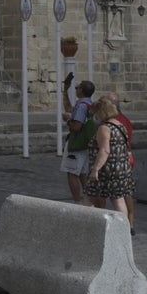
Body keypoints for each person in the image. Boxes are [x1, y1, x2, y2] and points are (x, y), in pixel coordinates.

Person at [86, 97, 135, 226]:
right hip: (121, 168)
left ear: (101, 112)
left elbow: (105, 150)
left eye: (95, 113)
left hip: (106, 170)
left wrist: (95, 169)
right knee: (118, 199)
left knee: (89, 198)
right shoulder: (120, 125)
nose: (94, 116)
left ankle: (87, 226)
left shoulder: (104, 128)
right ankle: (123, 229)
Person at [60, 74, 96, 203]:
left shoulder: (81, 106)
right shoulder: (89, 104)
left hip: (77, 142)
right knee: (82, 172)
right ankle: (88, 198)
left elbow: (76, 127)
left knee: (71, 172)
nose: (76, 89)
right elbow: (69, 108)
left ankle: (77, 200)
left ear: (81, 90)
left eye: (77, 87)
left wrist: (68, 120)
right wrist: (65, 90)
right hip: (85, 143)